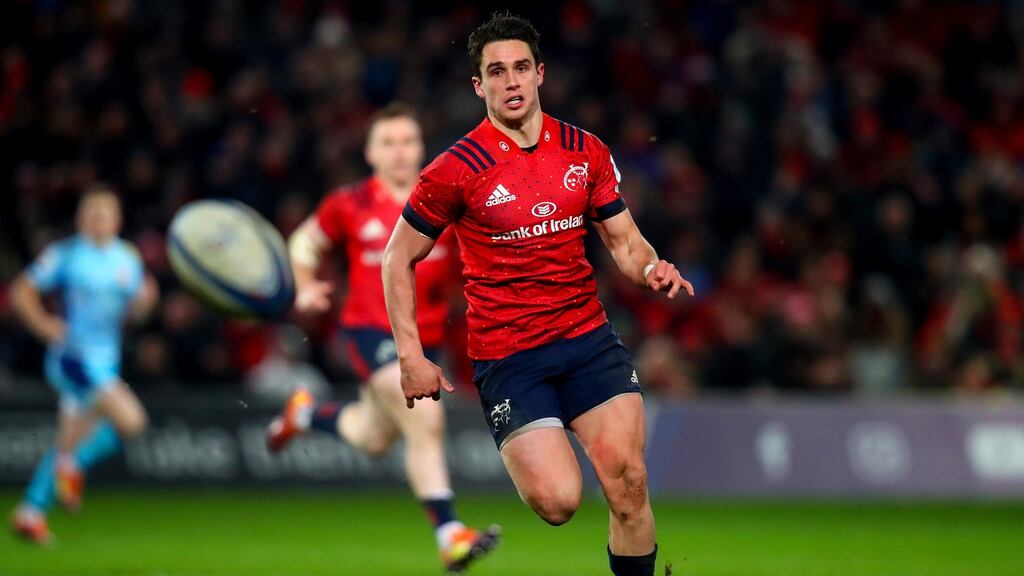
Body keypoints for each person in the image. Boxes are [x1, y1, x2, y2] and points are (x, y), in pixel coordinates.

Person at [382, 14, 693, 576]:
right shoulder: (454, 170)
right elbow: (395, 258)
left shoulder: (583, 150)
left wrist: (651, 269)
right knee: (557, 502)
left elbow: (625, 244)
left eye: (521, 67)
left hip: (586, 340)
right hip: (510, 356)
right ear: (479, 85)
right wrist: (410, 354)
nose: (511, 81)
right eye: (496, 72)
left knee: (629, 483)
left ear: (540, 73)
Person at [265, 103, 500, 574]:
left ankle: (305, 414)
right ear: (371, 152)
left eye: (407, 141)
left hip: (428, 337)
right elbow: (304, 245)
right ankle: (450, 533)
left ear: (420, 148)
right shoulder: (348, 204)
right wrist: (306, 283)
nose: (398, 151)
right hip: (370, 332)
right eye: (388, 142)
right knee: (427, 417)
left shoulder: (444, 201)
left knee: (373, 438)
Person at [10, 186, 158, 544]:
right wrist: (44, 325)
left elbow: (135, 312)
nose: (98, 220)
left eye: (104, 214)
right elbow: (20, 291)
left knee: (70, 441)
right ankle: (71, 468)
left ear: (117, 220)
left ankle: (30, 512)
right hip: (75, 359)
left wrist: (143, 304)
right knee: (132, 421)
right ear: (80, 219)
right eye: (91, 214)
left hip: (105, 362)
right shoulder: (66, 255)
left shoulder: (127, 259)